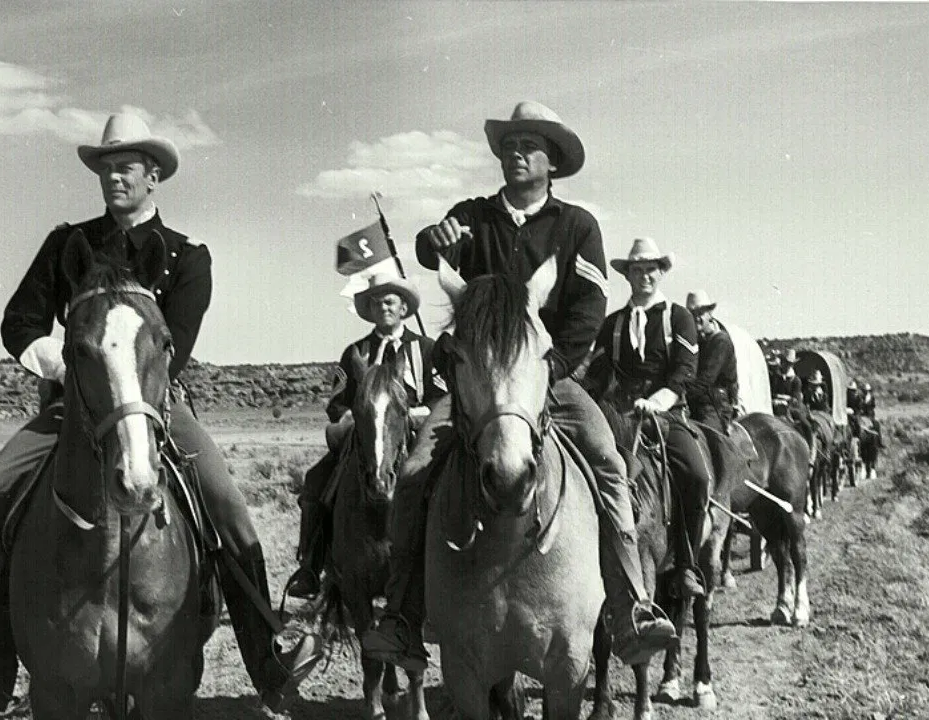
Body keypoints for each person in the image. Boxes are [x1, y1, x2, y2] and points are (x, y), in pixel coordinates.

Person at [0, 112, 321, 713]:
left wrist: (130, 386)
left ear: (153, 175)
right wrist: (64, 367)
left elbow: (174, 346)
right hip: (72, 407)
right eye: (106, 167)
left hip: (157, 407)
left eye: (126, 167)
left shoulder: (187, 256)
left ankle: (265, 657)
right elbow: (20, 321)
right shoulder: (68, 245)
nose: (114, 177)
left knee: (229, 507)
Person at [360, 101, 676, 671]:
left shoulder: (577, 227)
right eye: (508, 145)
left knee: (608, 462)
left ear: (551, 161)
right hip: (478, 386)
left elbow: (588, 307)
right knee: (411, 475)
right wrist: (436, 238)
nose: (514, 153)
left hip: (548, 378)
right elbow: (435, 250)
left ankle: (631, 606)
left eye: (527, 145)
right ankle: (404, 615)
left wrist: (549, 369)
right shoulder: (473, 216)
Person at [285, 272, 443, 598]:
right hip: (364, 436)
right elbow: (337, 402)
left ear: (403, 309)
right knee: (316, 481)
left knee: (450, 484)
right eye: (376, 302)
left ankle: (452, 566)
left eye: (389, 301)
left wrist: (415, 416)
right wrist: (354, 417)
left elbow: (441, 400)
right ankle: (311, 567)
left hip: (414, 436)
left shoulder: (426, 350)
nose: (382, 307)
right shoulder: (355, 351)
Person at [584, 238, 716, 601]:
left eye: (651, 269)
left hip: (667, 413)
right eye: (637, 269)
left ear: (661, 273)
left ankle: (686, 564)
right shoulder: (612, 323)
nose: (644, 275)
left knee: (696, 474)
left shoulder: (679, 317)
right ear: (628, 275)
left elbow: (684, 371)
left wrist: (658, 401)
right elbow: (597, 371)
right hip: (617, 415)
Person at [683, 290, 738, 432]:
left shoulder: (720, 341)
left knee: (709, 437)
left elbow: (705, 379)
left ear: (710, 314)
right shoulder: (697, 341)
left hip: (716, 406)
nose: (696, 318)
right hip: (696, 403)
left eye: (700, 313)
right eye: (692, 315)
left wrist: (678, 393)